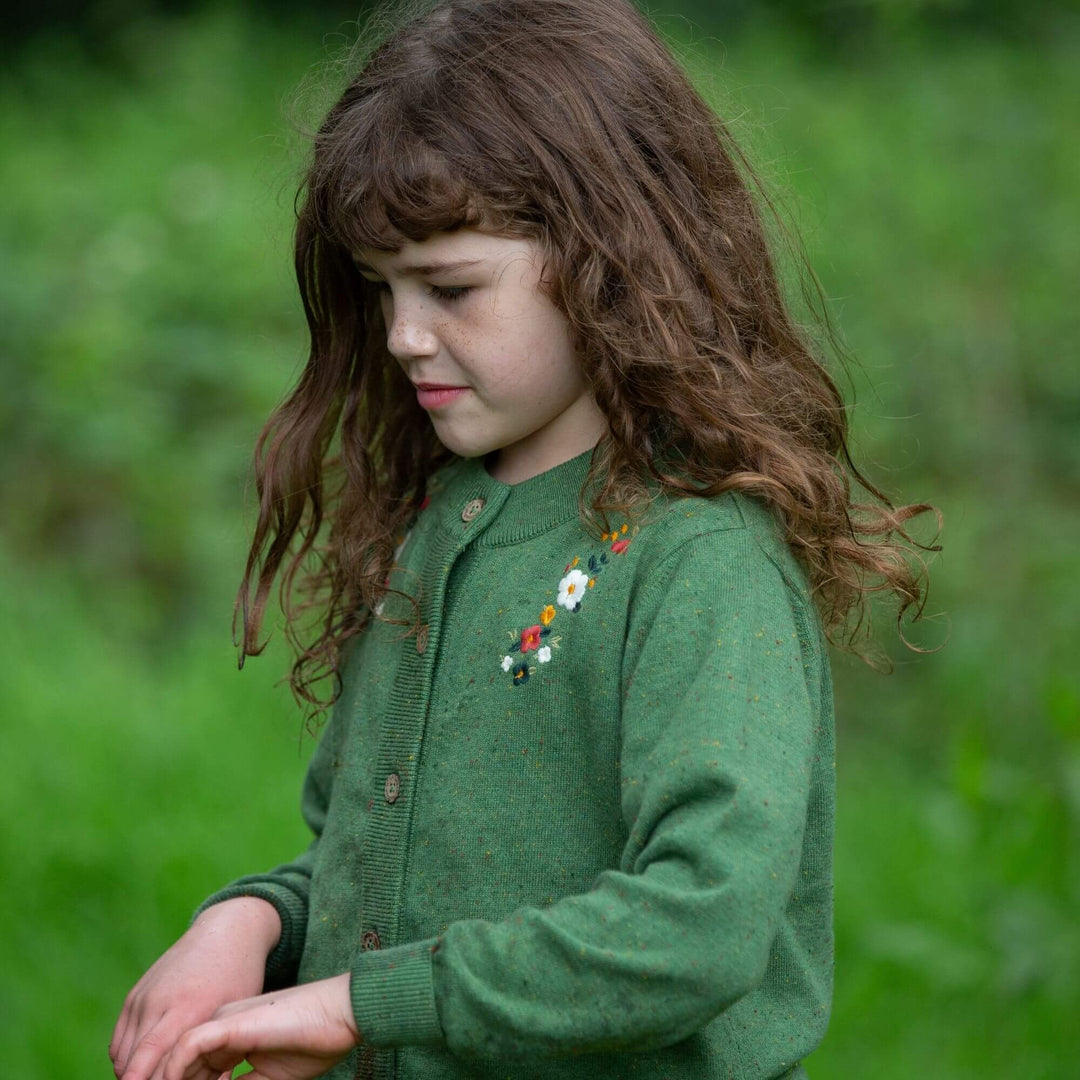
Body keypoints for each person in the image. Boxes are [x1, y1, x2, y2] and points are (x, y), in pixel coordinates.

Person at [109, 0, 941, 1078]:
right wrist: (253, 928)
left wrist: (369, 1004)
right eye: (381, 291)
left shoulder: (701, 559)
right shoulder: (437, 531)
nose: (404, 336)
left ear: (610, 260)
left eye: (451, 287)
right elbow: (385, 877)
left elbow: (700, 926)